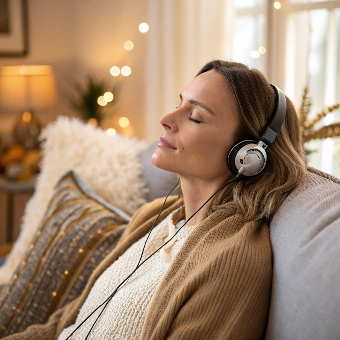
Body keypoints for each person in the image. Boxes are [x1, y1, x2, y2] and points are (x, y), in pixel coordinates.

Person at [3, 60, 307, 340]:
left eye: (195, 117)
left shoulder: (232, 260)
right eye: (179, 103)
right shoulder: (153, 219)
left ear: (247, 156)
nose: (165, 119)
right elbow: (62, 325)